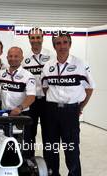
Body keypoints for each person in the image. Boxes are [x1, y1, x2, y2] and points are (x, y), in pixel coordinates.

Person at [41, 31, 95, 176]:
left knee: (71, 148)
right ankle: (53, 173)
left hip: (71, 112)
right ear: (54, 46)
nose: (62, 46)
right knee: (50, 147)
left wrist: (80, 107)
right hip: (51, 111)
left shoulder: (80, 64)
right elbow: (45, 87)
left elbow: (90, 88)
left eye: (65, 42)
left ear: (70, 44)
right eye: (58, 43)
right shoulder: (47, 66)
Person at [0, 46, 36, 158]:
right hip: (5, 114)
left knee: (22, 145)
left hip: (21, 114)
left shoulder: (28, 76)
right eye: (10, 56)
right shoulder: (2, 73)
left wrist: (19, 108)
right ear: (7, 57)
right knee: (5, 142)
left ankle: (24, 167)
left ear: (22, 58)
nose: (13, 58)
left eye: (16, 56)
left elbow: (31, 97)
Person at [21, 27, 53, 157]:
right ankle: (29, 161)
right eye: (32, 38)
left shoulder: (52, 56)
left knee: (49, 133)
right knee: (29, 133)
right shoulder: (24, 59)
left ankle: (49, 163)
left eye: (38, 37)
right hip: (31, 101)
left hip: (48, 100)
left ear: (42, 38)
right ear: (29, 39)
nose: (35, 40)